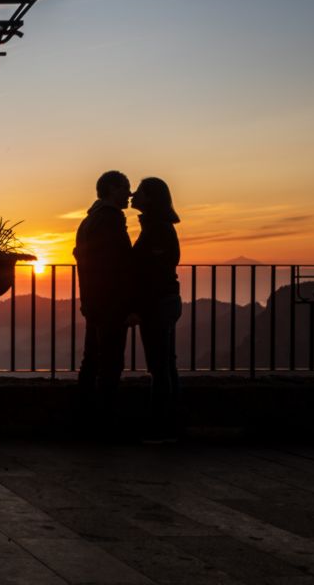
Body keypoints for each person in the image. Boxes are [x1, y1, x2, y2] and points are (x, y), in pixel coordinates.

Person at [73, 170, 135, 437]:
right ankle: (103, 422)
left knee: (92, 360)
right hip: (111, 302)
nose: (129, 195)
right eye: (125, 188)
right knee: (110, 362)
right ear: (112, 188)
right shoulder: (110, 221)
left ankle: (85, 417)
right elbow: (120, 265)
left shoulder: (89, 220)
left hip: (94, 301)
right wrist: (130, 304)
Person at [131, 177, 182, 443]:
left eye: (138, 192)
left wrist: (138, 307)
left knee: (160, 367)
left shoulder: (158, 229)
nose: (132, 194)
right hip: (164, 302)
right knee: (165, 365)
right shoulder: (155, 227)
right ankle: (169, 426)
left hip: (157, 303)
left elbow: (153, 273)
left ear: (150, 198)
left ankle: (162, 429)